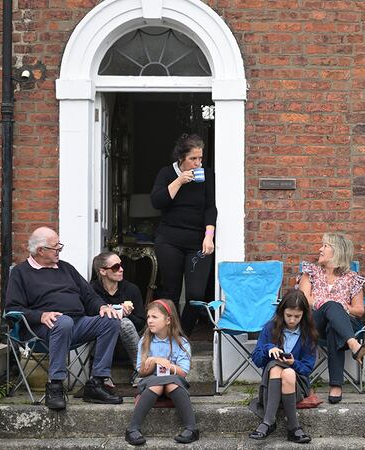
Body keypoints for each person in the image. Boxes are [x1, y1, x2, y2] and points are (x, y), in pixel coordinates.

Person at [5, 227, 124, 410]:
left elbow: (90, 296)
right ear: (40, 250)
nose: (59, 250)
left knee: (111, 320)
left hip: (78, 324)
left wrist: (102, 307)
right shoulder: (21, 273)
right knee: (63, 322)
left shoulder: (66, 268)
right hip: (42, 330)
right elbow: (13, 308)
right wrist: (41, 315)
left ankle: (97, 383)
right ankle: (55, 386)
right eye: (56, 247)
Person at [150, 133, 217, 336]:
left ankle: (182, 334)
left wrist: (209, 236)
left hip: (197, 241)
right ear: (181, 158)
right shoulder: (166, 173)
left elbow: (210, 208)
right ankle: (170, 336)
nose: (198, 163)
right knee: (170, 291)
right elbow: (157, 202)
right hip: (169, 240)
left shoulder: (206, 175)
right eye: (193, 158)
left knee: (196, 294)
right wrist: (179, 181)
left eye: (200, 158)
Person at [298, 233, 365, 404]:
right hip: (316, 323)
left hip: (345, 324)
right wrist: (329, 304)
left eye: (325, 246)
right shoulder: (311, 272)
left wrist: (342, 308)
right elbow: (303, 298)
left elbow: (359, 310)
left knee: (333, 327)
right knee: (331, 306)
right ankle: (353, 345)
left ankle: (335, 385)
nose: (320, 249)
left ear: (337, 251)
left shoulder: (352, 278)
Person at [124, 299, 197, 445]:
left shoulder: (181, 343)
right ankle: (132, 429)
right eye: (148, 317)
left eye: (154, 317)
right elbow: (141, 372)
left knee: (171, 383)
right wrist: (153, 361)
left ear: (168, 320)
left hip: (173, 381)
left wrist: (169, 366)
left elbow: (183, 372)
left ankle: (192, 428)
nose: (149, 321)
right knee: (157, 384)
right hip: (151, 382)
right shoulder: (145, 341)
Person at [248, 290, 316, 444]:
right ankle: (293, 428)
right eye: (288, 315)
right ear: (282, 312)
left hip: (297, 386)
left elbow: (307, 368)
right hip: (271, 384)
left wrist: (293, 363)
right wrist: (268, 348)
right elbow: (257, 360)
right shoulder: (270, 328)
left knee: (289, 372)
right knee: (276, 367)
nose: (292, 320)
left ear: (304, 315)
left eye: (297, 316)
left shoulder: (308, 333)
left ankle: (268, 422)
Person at [90, 251, 146, 385]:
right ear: (103, 271)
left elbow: (141, 324)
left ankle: (140, 369)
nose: (121, 269)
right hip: (100, 344)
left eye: (121, 265)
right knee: (111, 321)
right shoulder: (92, 290)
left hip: (128, 345)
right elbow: (88, 319)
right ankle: (101, 375)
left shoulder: (131, 289)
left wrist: (127, 315)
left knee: (124, 322)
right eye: (115, 267)